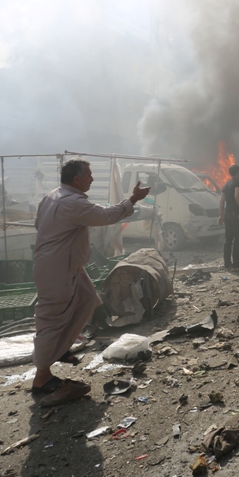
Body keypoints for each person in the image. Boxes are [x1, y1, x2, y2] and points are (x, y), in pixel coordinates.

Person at [30, 159, 150, 407]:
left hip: (67, 265)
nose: (92, 180)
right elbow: (106, 216)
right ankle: (42, 378)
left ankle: (61, 348)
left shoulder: (52, 196)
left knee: (88, 300)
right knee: (50, 320)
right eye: (89, 175)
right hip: (57, 268)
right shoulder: (72, 203)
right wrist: (133, 199)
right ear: (77, 180)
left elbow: (38, 224)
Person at [218, 164, 239, 269]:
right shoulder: (238, 183)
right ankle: (237, 264)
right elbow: (237, 195)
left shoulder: (225, 185)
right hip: (236, 215)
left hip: (227, 216)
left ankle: (227, 263)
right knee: (238, 240)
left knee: (228, 240)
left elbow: (221, 201)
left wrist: (221, 215)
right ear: (238, 172)